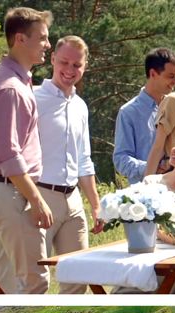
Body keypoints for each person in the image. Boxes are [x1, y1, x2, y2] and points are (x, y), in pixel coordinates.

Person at [0, 7, 55, 294]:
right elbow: (8, 155)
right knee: (35, 282)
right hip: (11, 192)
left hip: (7, 191)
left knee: (6, 284)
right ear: (21, 39)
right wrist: (36, 200)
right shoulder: (10, 87)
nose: (48, 44)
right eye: (43, 38)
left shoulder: (12, 78)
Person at [33, 35, 103, 295]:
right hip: (40, 197)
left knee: (78, 276)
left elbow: (84, 159)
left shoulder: (80, 107)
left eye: (77, 65)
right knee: (35, 278)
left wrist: (96, 205)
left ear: (85, 66)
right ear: (52, 59)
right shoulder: (33, 98)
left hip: (73, 202)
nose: (70, 70)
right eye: (64, 62)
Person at [113, 48, 175, 184]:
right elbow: (121, 159)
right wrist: (150, 167)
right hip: (145, 197)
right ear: (153, 73)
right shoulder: (128, 112)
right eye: (171, 76)